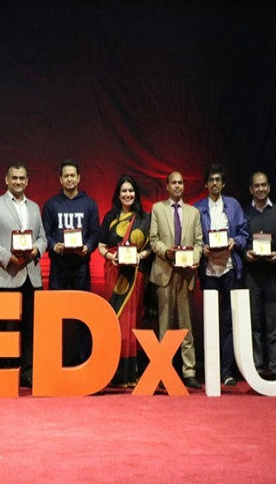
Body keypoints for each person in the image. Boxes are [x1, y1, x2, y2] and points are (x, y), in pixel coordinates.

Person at [0, 162, 47, 387]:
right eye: (14, 178)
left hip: (31, 275)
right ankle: (5, 371)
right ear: (6, 180)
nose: (18, 182)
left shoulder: (35, 207)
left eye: (22, 178)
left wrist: (36, 249)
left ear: (27, 181)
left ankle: (27, 372)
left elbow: (43, 237)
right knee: (5, 327)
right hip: (7, 273)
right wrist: (9, 257)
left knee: (30, 328)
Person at [193, 164, 250, 387]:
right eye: (211, 180)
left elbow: (244, 232)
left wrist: (236, 242)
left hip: (229, 268)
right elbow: (194, 238)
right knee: (209, 321)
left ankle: (227, 370)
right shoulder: (197, 209)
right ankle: (211, 369)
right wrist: (202, 249)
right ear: (206, 184)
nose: (215, 183)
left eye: (218, 180)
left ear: (223, 184)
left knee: (228, 321)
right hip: (208, 269)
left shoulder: (233, 205)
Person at [42, 160, 100, 365]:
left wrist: (89, 246)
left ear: (79, 178)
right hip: (58, 266)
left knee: (82, 317)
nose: (69, 179)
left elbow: (95, 232)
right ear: (60, 179)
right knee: (54, 316)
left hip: (81, 267)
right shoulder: (51, 204)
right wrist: (52, 245)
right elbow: (44, 233)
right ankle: (52, 361)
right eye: (65, 175)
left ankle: (84, 361)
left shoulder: (89, 204)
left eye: (72, 175)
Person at [149, 171, 204, 389]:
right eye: (174, 182)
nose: (178, 186)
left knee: (186, 324)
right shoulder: (157, 209)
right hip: (164, 271)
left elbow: (199, 242)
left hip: (186, 272)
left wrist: (195, 258)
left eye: (181, 182)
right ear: (167, 186)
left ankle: (189, 370)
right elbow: (153, 240)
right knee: (164, 325)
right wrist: (167, 252)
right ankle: (164, 369)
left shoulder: (194, 212)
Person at [97, 175, 151, 387]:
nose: (127, 195)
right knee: (115, 319)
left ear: (135, 194)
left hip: (135, 275)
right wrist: (112, 257)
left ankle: (130, 372)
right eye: (124, 191)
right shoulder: (109, 217)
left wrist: (140, 256)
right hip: (114, 273)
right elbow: (101, 246)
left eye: (131, 191)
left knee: (132, 319)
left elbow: (149, 248)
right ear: (118, 195)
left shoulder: (145, 219)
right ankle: (113, 372)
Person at [242, 171, 276, 380]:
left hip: (273, 274)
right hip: (252, 275)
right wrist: (245, 253)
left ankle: (275, 367)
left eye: (264, 185)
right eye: (256, 186)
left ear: (269, 187)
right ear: (251, 189)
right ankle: (258, 367)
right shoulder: (244, 213)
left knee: (274, 323)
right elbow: (240, 240)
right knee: (255, 323)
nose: (260, 189)